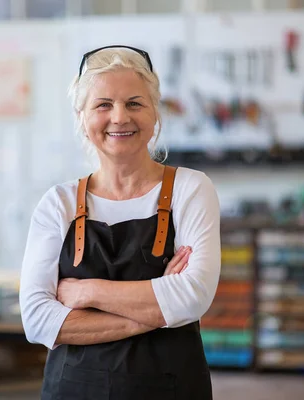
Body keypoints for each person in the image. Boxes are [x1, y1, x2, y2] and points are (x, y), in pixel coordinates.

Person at [19, 45, 221, 400]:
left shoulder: (190, 189)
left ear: (155, 112)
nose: (119, 117)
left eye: (134, 103)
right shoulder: (58, 204)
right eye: (103, 105)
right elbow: (37, 320)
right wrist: (157, 310)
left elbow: (193, 296)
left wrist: (87, 293)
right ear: (82, 116)